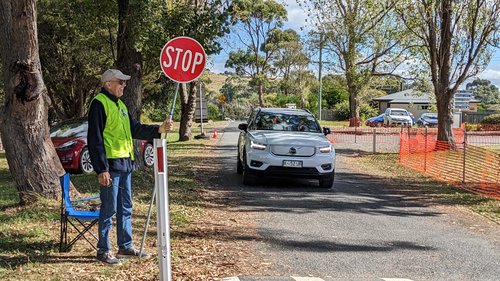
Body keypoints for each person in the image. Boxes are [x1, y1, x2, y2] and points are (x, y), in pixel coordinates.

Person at [88, 69, 174, 265]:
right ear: (108, 83)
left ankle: (125, 246)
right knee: (109, 209)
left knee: (126, 207)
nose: (124, 86)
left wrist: (158, 129)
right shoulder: (99, 103)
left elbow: (135, 128)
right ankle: (103, 250)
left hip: (126, 163)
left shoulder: (121, 105)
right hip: (110, 165)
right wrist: (102, 169)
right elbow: (95, 139)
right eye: (121, 82)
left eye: (125, 83)